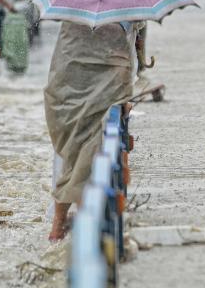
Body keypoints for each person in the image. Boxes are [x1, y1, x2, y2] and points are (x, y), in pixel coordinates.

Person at [44, 21, 139, 241]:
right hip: (95, 104)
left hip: (65, 104)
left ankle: (59, 226)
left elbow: (62, 66)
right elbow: (120, 68)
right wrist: (123, 98)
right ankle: (81, 231)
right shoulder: (119, 24)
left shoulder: (72, 19)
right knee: (88, 164)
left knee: (72, 161)